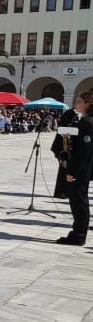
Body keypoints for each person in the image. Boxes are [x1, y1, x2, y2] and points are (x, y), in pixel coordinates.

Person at [58, 91, 93, 246]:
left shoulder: (87, 122)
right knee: (78, 202)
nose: (75, 104)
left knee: (79, 203)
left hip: (80, 170)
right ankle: (77, 233)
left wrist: (72, 172)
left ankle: (78, 235)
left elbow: (83, 151)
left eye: (79, 101)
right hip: (82, 169)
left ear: (88, 104)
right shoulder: (84, 120)